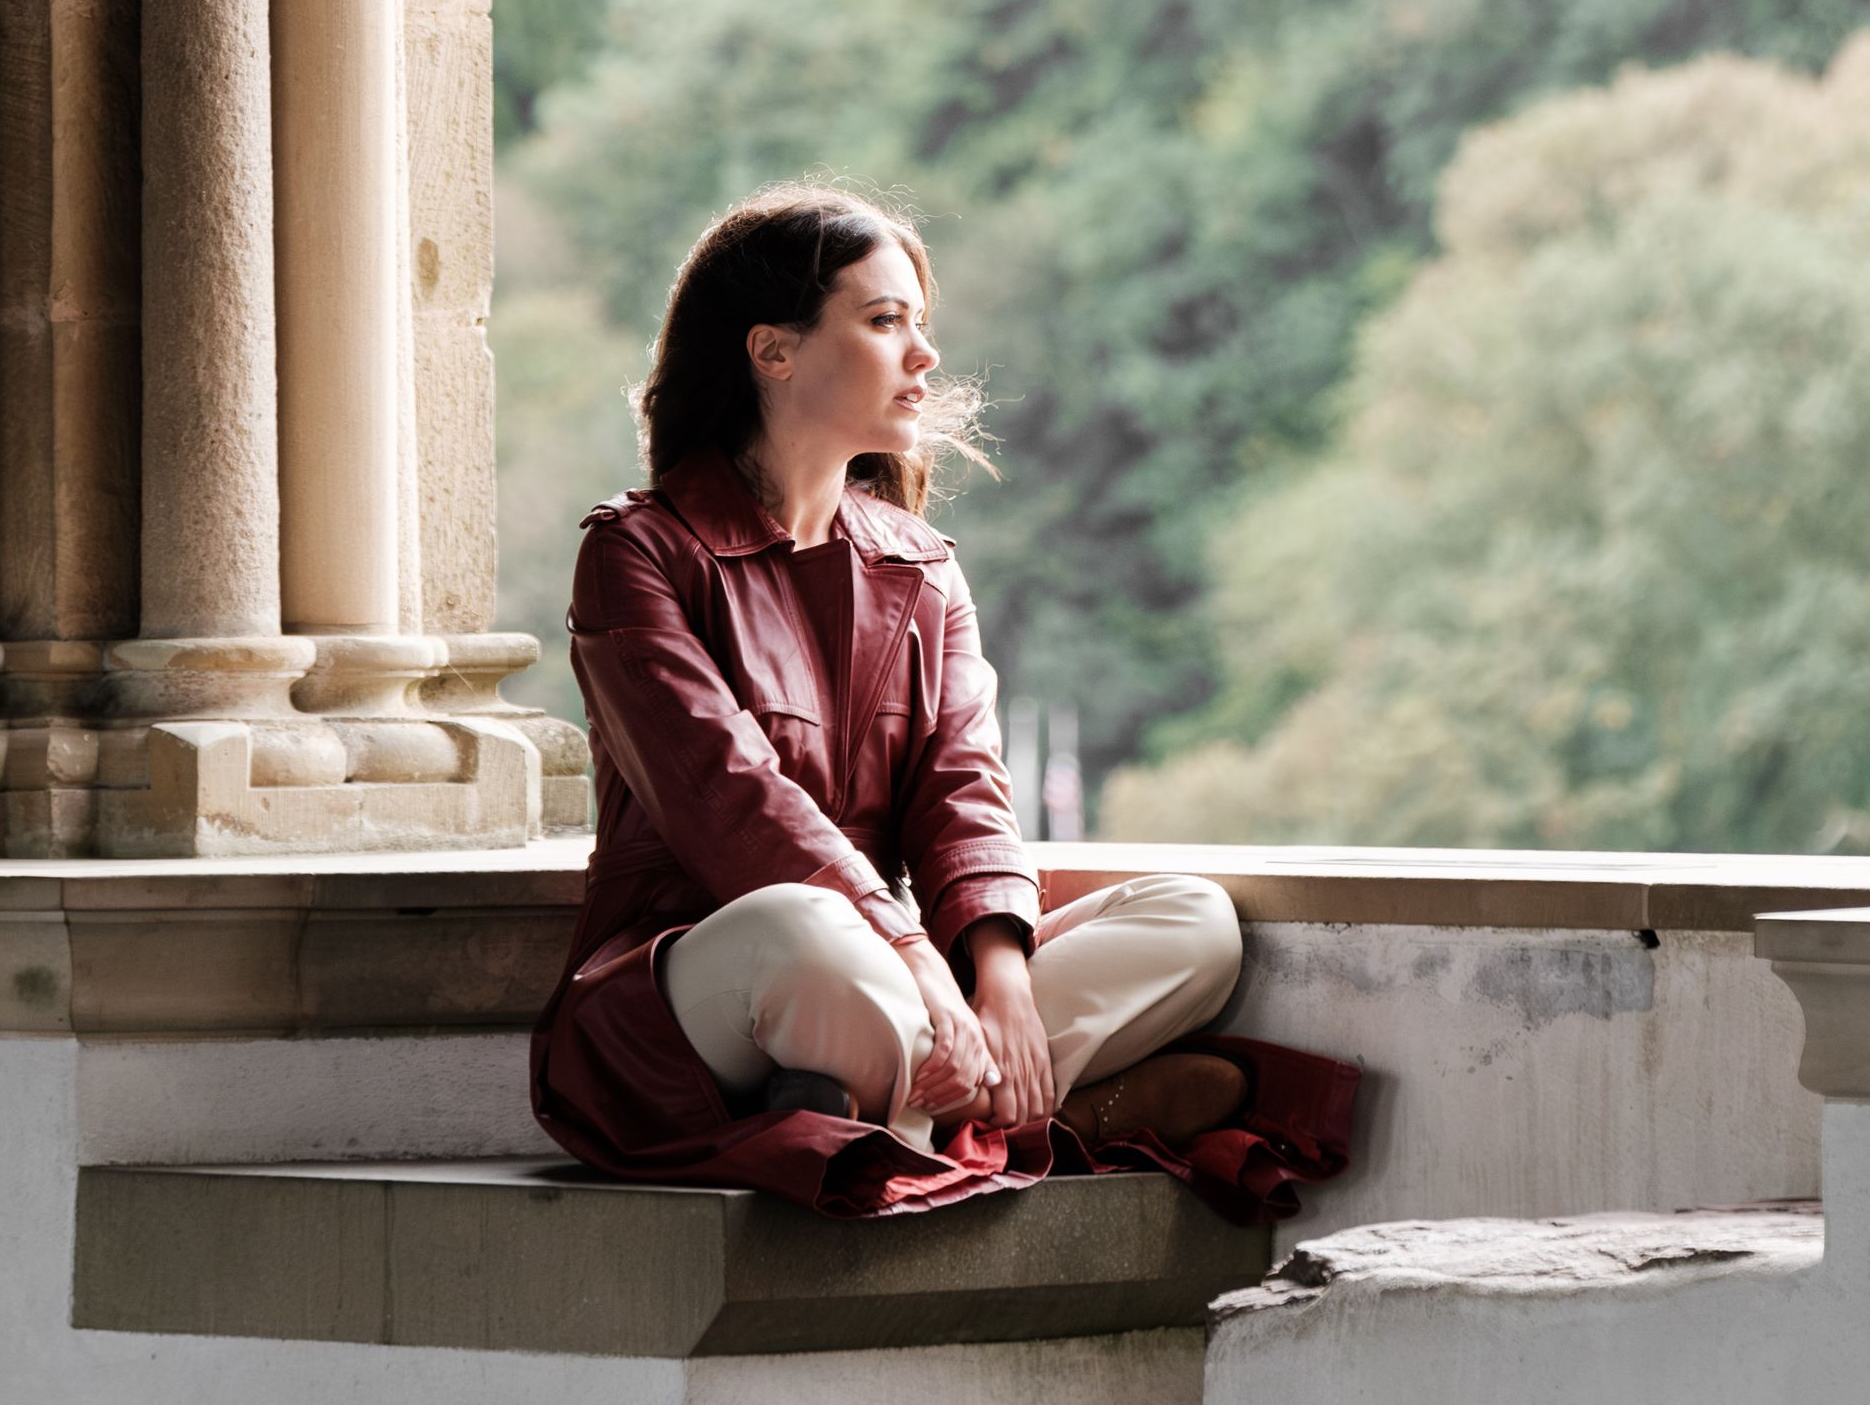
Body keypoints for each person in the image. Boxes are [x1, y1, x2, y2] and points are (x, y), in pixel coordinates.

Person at [530, 183, 1354, 1218]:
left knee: (1190, 919)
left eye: (921, 322)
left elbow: (964, 784)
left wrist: (999, 973)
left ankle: (906, 1111)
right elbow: (729, 802)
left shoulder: (919, 565)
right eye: (883, 321)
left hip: (887, 991)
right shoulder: (635, 551)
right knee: (807, 931)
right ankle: (1042, 1117)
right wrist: (917, 955)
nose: (922, 353)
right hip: (707, 986)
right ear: (771, 350)